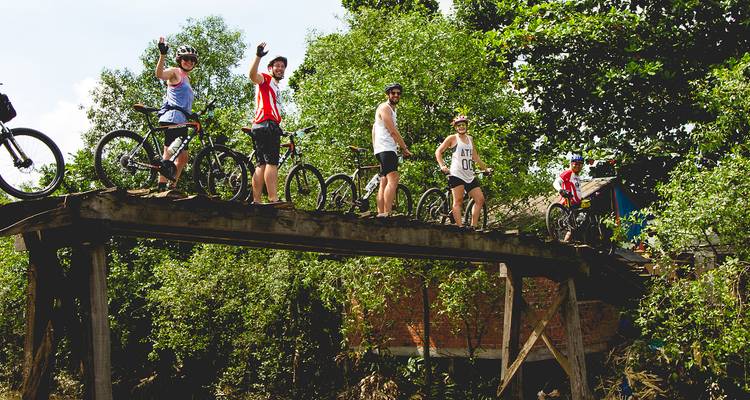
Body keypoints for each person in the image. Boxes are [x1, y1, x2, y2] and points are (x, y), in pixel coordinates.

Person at [155, 37, 197, 191]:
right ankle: (161, 185)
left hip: (183, 119)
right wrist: (162, 54)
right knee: (170, 150)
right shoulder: (175, 72)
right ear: (180, 60)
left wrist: (192, 114)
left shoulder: (187, 78)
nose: (189, 62)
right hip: (173, 117)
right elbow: (159, 74)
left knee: (183, 157)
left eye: (192, 60)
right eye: (186, 59)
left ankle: (172, 185)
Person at [434, 115, 490, 228]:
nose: (461, 127)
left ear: (466, 126)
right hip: (457, 174)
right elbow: (438, 152)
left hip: (469, 175)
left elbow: (475, 157)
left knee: (480, 199)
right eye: (459, 125)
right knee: (458, 201)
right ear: (455, 127)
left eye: (463, 125)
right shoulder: (452, 138)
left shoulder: (470, 139)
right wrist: (442, 166)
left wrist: (486, 169)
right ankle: (460, 228)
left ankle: (473, 227)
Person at [247, 42, 286, 204]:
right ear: (270, 68)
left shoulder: (275, 86)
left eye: (283, 66)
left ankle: (256, 200)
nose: (280, 68)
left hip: (261, 125)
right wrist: (258, 56)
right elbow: (252, 76)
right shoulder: (267, 79)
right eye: (276, 65)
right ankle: (273, 198)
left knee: (261, 164)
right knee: (272, 162)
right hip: (267, 124)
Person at [372, 83, 411, 217]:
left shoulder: (391, 110)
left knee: (384, 181)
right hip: (386, 148)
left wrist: (375, 148)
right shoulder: (385, 107)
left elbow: (374, 129)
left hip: (383, 148)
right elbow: (393, 131)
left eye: (398, 93)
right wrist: (404, 147)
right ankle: (387, 212)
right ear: (388, 94)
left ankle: (381, 212)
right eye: (393, 93)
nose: (396, 95)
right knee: (393, 178)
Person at [552, 154, 584, 241]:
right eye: (575, 164)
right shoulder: (568, 173)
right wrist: (560, 190)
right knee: (571, 227)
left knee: (577, 225)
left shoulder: (577, 176)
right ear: (571, 164)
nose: (578, 166)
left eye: (580, 164)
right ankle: (564, 244)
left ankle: (568, 243)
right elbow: (555, 182)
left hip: (576, 204)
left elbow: (577, 191)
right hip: (568, 202)